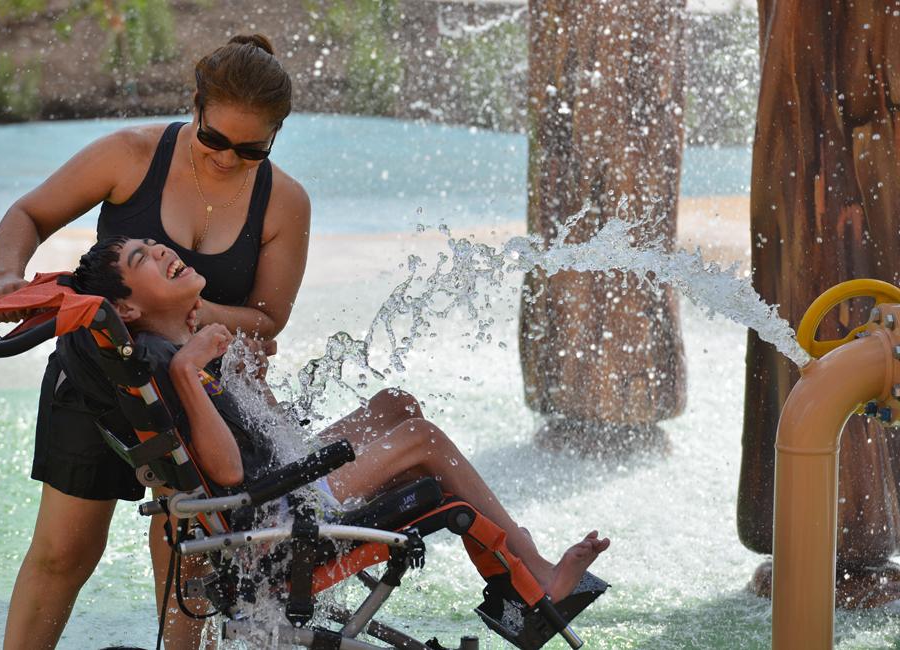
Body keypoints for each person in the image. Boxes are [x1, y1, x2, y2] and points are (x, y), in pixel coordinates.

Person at [0, 34, 414, 650]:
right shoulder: (131, 156)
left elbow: (269, 319)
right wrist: (7, 276)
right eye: (213, 140)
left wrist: (193, 307)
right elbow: (27, 215)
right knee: (63, 553)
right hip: (97, 384)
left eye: (249, 150)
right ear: (195, 107)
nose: (224, 159)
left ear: (277, 135)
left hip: (195, 395)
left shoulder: (284, 201)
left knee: (190, 557)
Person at [72, 236, 611, 607]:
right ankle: (536, 572)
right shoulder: (170, 364)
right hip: (273, 516)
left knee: (394, 404)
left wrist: (244, 380)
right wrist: (193, 371)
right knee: (421, 440)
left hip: (277, 483)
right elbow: (230, 474)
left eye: (152, 243)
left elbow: (258, 436)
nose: (162, 249)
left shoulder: (168, 347)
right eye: (142, 256)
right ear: (126, 310)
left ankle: (507, 543)